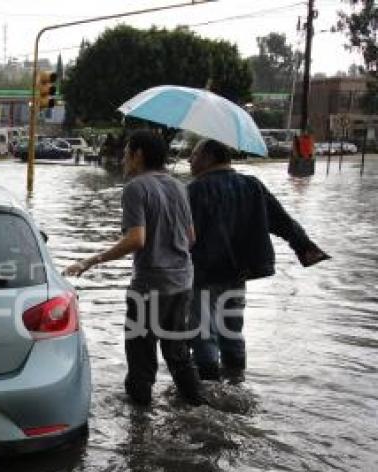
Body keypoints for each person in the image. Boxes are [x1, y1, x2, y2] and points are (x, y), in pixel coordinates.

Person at [64, 130, 203, 406]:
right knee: (178, 354)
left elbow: (136, 239)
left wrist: (90, 261)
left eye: (127, 152)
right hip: (183, 281)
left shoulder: (136, 188)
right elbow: (190, 239)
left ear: (138, 155)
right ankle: (197, 403)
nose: (124, 158)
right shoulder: (178, 186)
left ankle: (138, 426)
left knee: (141, 357)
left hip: (150, 286)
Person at [186, 138, 330, 383]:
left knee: (202, 332)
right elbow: (283, 222)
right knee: (231, 330)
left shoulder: (195, 190)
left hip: (204, 273)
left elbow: (183, 236)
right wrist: (304, 247)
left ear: (209, 157)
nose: (190, 159)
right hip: (239, 273)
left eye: (194, 154)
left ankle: (208, 390)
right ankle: (236, 381)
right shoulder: (252, 186)